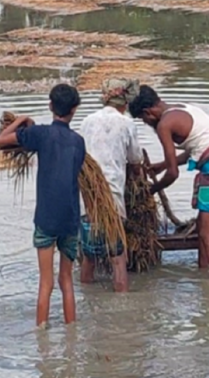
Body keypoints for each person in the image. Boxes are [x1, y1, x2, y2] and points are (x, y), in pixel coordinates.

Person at [0, 83, 85, 327]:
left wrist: (22, 119)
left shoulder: (41, 134)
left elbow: (1, 140)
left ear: (50, 106)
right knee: (66, 280)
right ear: (74, 109)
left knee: (46, 283)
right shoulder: (78, 142)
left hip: (46, 219)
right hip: (70, 220)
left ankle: (42, 337)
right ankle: (71, 332)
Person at [128, 85, 209, 279]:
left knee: (206, 234)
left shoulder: (164, 124)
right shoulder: (182, 108)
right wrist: (161, 165)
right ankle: (205, 276)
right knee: (204, 225)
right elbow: (196, 147)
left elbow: (173, 175)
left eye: (143, 119)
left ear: (148, 112)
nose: (145, 122)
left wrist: (151, 190)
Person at [77, 78, 143, 292]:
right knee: (118, 258)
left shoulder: (87, 121)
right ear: (125, 102)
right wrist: (138, 178)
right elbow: (135, 160)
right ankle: (121, 307)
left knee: (88, 255)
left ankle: (87, 297)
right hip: (113, 197)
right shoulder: (126, 124)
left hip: (87, 198)